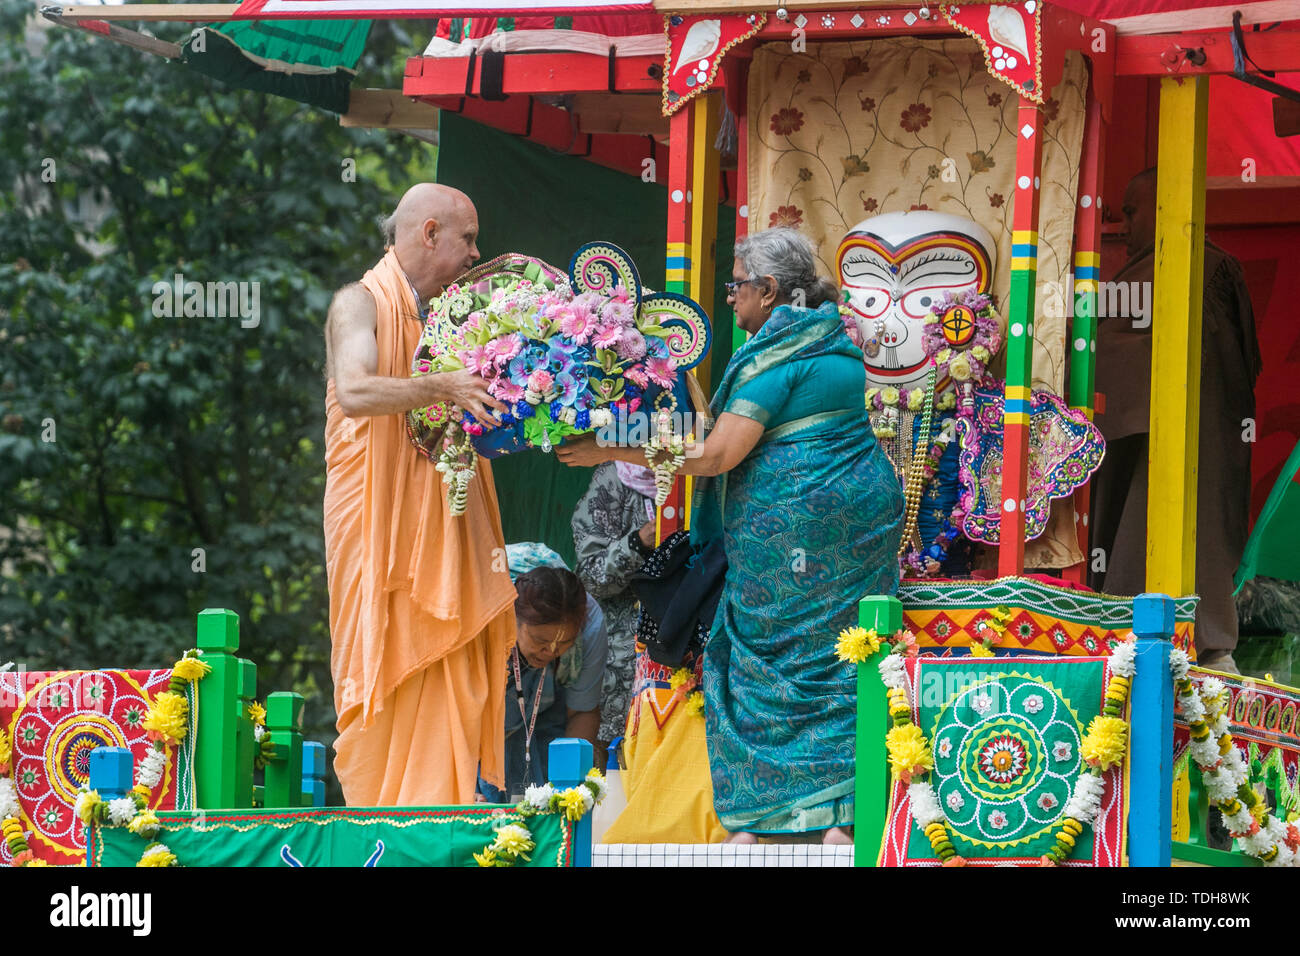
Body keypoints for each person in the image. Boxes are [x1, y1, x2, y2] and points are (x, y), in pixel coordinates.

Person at [559, 227, 904, 843]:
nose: (730, 299)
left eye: (736, 286)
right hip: (850, 524)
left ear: (769, 290)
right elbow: (720, 429)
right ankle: (830, 820)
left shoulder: (783, 354)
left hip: (804, 530)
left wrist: (606, 447)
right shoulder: (819, 339)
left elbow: (717, 454)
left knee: (781, 657)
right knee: (834, 659)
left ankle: (785, 820)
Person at [323, 183, 518, 805]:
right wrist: (444, 386)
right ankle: (390, 827)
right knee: (387, 659)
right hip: (376, 528)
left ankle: (446, 819)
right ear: (429, 233)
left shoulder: (454, 318)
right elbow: (356, 393)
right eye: (467, 239)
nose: (475, 253)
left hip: (447, 523)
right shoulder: (357, 303)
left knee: (453, 666)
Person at [1091, 168, 1262, 673]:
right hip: (1154, 444)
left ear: (1166, 207)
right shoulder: (1155, 271)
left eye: (1132, 211)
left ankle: (1194, 646)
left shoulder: (1199, 271)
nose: (1123, 225)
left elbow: (1140, 363)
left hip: (1186, 444)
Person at [477, 544, 607, 801]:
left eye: (565, 643)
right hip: (471, 715)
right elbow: (451, 713)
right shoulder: (483, 613)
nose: (550, 652)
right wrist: (462, 786)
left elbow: (581, 712)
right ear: (512, 618)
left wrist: (569, 793)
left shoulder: (590, 623)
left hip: (545, 711)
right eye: (539, 639)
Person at [570, 462, 656, 753]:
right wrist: (638, 543)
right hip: (622, 660)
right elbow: (590, 577)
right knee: (611, 762)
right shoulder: (615, 479)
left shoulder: (706, 471)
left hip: (690, 651)